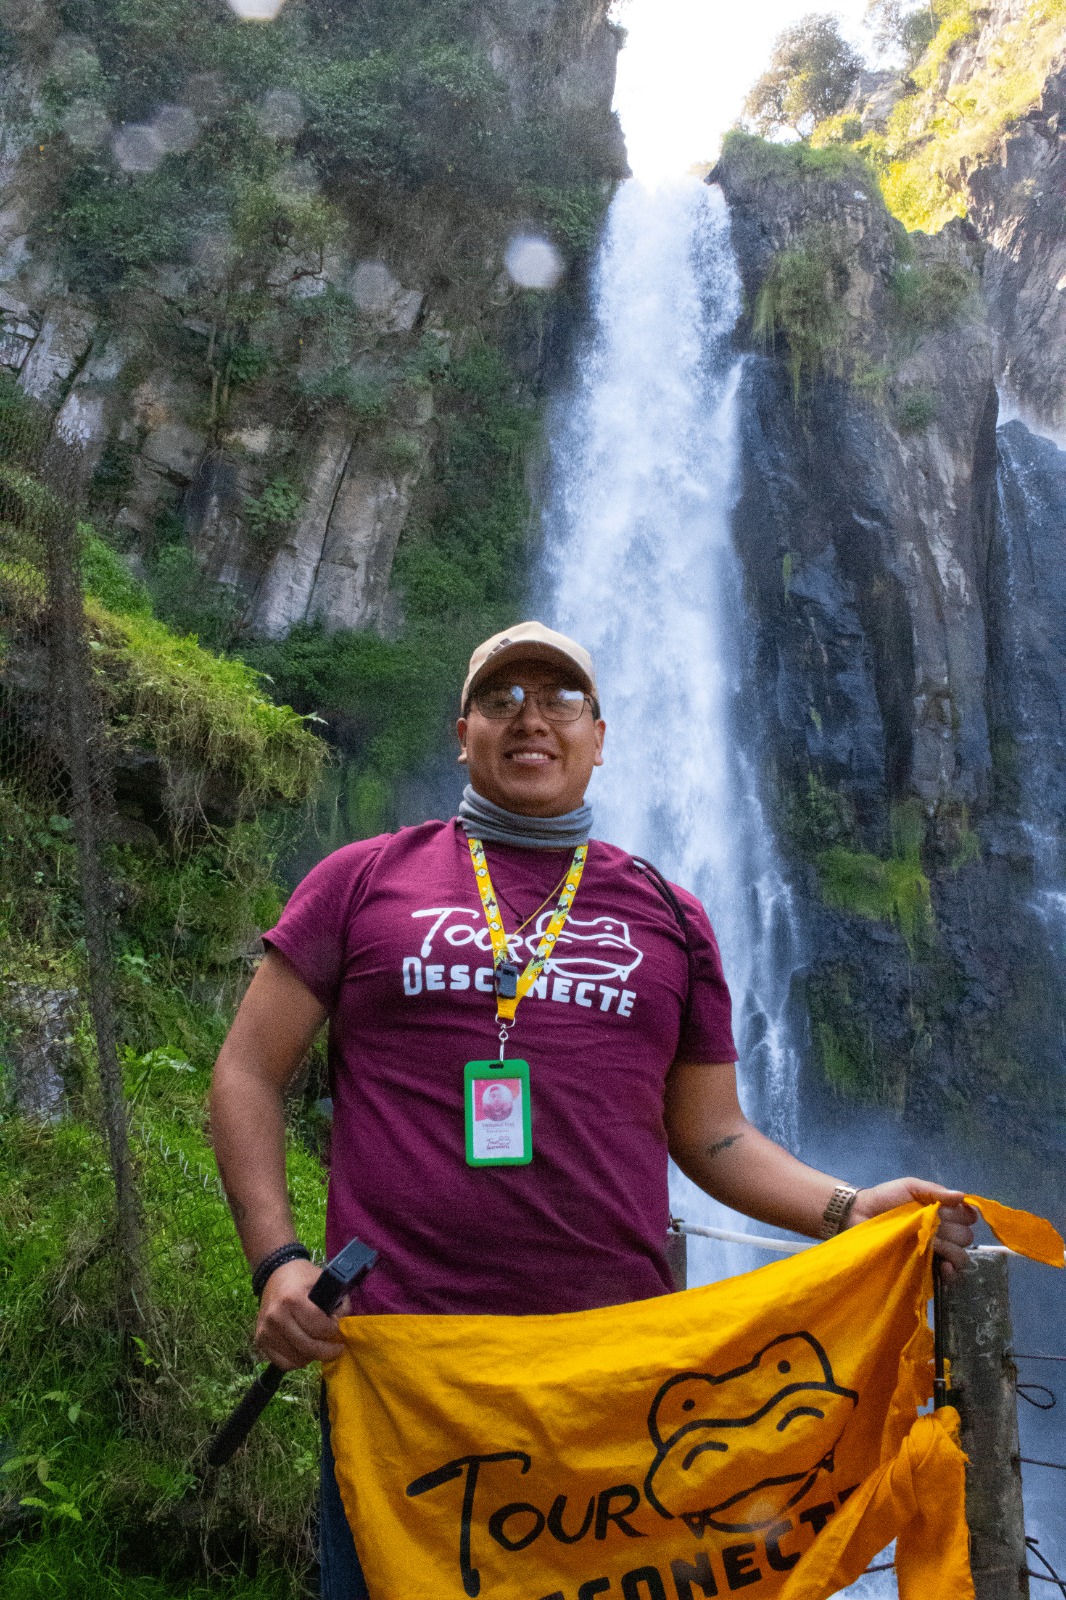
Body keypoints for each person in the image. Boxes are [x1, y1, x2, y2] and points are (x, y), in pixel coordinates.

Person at [209, 620, 976, 1598]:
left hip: (613, 1374)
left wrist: (848, 1209)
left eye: (559, 698)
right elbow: (246, 1073)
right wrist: (278, 1261)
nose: (530, 718)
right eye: (500, 699)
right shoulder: (360, 880)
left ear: (600, 736)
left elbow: (712, 1132)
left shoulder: (670, 913)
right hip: (407, 1369)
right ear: (463, 735)